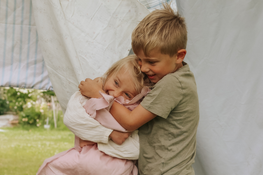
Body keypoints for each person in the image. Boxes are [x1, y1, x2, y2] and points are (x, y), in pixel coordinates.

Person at [79, 4, 199, 175]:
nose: (143, 68)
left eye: (151, 62)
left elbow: (130, 121)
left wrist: (97, 94)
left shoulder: (173, 84)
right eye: (140, 60)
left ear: (179, 56)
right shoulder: (168, 77)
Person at [37, 54, 150, 175]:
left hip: (116, 168)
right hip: (82, 159)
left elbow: (136, 149)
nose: (116, 94)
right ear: (109, 73)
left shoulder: (135, 112)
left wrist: (95, 141)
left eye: (127, 95)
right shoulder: (89, 92)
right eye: (116, 83)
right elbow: (72, 119)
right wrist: (109, 134)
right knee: (52, 169)